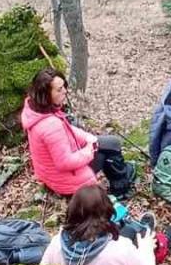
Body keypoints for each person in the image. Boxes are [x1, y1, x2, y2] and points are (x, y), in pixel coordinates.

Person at [41, 184, 164, 265]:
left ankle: (141, 231)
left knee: (128, 234)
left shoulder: (56, 244)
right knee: (142, 243)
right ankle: (158, 241)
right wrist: (147, 250)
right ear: (108, 213)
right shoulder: (119, 249)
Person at [22, 68, 135, 198]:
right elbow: (65, 162)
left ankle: (122, 174)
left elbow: (66, 129)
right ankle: (121, 189)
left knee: (111, 143)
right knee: (111, 149)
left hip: (52, 174)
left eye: (64, 86)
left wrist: (88, 138)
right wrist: (89, 150)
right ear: (46, 94)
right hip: (66, 180)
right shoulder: (50, 125)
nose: (65, 91)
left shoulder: (35, 110)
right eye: (59, 89)